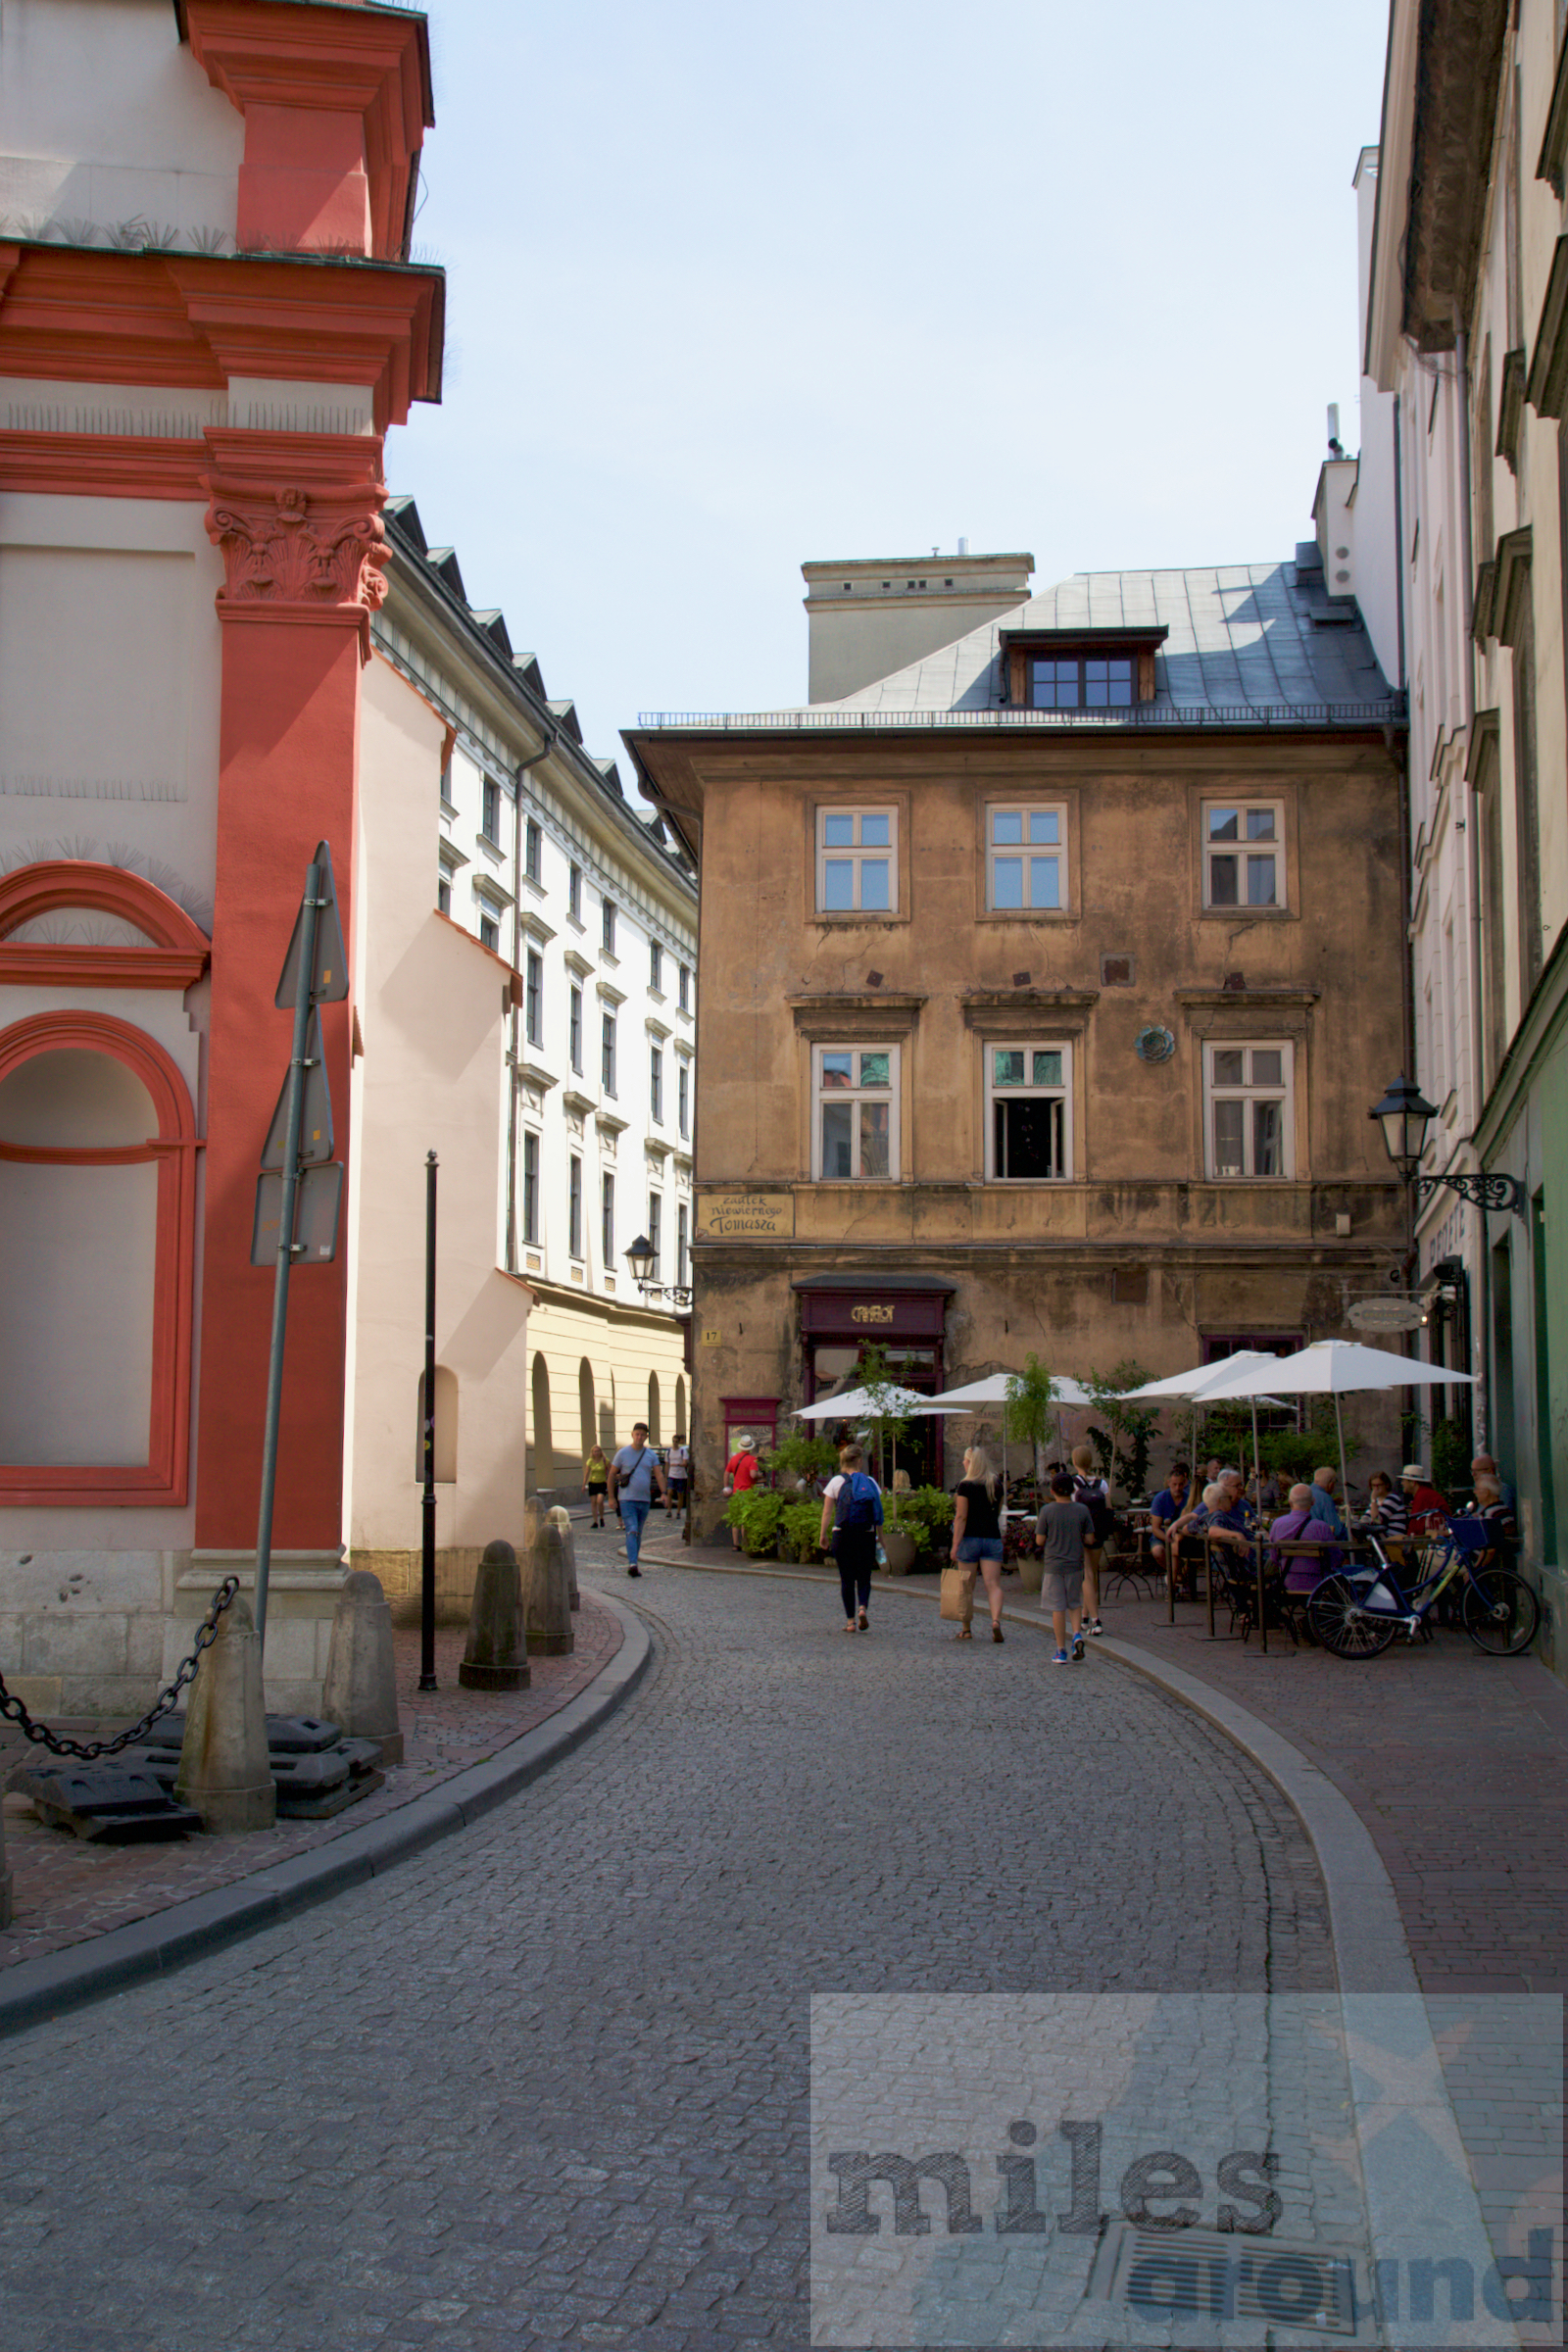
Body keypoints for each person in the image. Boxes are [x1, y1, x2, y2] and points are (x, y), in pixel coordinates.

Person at [818, 1442, 881, 1633]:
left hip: (842, 1534)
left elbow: (827, 1512)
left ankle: (850, 1622)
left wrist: (823, 1534)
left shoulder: (836, 1482)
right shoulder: (870, 1482)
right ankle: (862, 1607)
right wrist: (882, 1539)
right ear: (860, 1461)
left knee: (846, 1578)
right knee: (864, 1576)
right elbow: (878, 1514)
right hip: (866, 1534)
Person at [1036, 1471, 1095, 1664]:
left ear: (1052, 1491)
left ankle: (1060, 1650)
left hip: (1054, 1565)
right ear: (1072, 1490)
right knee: (1074, 1603)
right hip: (1075, 1564)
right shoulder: (1082, 1510)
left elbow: (1040, 1540)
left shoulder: (1047, 1511)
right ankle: (1077, 1633)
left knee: (1057, 1608)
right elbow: (1090, 1539)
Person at [950, 1444, 1005, 1643]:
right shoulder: (996, 1484)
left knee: (966, 1586)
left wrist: (955, 1545)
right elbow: (998, 1511)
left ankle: (966, 1629)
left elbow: (961, 1517)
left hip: (969, 1539)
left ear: (970, 1463)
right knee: (993, 1585)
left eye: (965, 1461)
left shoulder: (965, 1486)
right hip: (992, 1537)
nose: (963, 1464)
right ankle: (996, 1621)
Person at [610, 1421, 667, 1577]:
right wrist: (611, 1497)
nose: (639, 1437)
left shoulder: (650, 1455)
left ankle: (634, 1560)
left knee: (638, 1532)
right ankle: (633, 1564)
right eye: (637, 1434)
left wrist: (664, 1492)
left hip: (644, 1500)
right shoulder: (622, 1453)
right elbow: (611, 1475)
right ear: (632, 1435)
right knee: (632, 1530)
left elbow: (659, 1474)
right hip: (627, 1499)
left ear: (646, 1437)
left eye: (642, 1435)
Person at [1069, 1443, 1110, 1637]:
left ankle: (1096, 1619)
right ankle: (1085, 1616)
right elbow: (1108, 1507)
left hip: (1081, 1532)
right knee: (1092, 1573)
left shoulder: (1073, 1483)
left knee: (1086, 1575)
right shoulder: (1101, 1484)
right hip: (1099, 1531)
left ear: (1074, 1461)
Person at [1267, 1483, 1342, 1589]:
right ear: (1313, 1502)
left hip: (1288, 1583)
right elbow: (1335, 1559)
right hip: (1319, 1586)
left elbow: (1274, 1558)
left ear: (1290, 1503)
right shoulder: (1321, 1527)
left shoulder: (1277, 1524)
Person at [1148, 1462, 1192, 1582]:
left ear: (1185, 1483)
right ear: (1169, 1483)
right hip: (1163, 1535)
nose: (1177, 1488)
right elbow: (1155, 1528)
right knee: (1157, 1551)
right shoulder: (1160, 1499)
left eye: (1181, 1484)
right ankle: (1177, 1573)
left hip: (1183, 1536)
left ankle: (1174, 1578)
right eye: (1174, 1484)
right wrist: (1168, 1539)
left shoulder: (1188, 1498)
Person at [723, 1433, 760, 1553]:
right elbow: (753, 1475)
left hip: (736, 1492)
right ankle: (745, 1543)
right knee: (745, 1519)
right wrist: (760, 1475)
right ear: (750, 1447)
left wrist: (726, 1487)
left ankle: (735, 1544)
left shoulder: (734, 1458)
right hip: (747, 1492)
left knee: (735, 1518)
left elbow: (727, 1473)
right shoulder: (752, 1459)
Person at [1399, 1463, 1450, 1537]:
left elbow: (1416, 1526)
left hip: (1432, 1541)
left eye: (1404, 1480)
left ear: (1413, 1483)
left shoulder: (1422, 1496)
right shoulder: (1426, 1493)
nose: (1402, 1483)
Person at [1305, 1467, 1347, 1539]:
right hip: (1321, 1544)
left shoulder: (1304, 1493)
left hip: (1305, 1541)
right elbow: (1336, 1530)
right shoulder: (1325, 1498)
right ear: (1331, 1484)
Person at [584, 1442, 611, 1530]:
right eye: (594, 1451)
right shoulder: (590, 1461)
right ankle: (595, 1521)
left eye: (598, 1451)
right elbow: (587, 1473)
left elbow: (611, 1472)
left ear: (600, 1452)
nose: (596, 1453)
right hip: (592, 1483)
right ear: (592, 1452)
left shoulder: (605, 1460)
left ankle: (601, 1517)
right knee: (593, 1503)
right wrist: (584, 1484)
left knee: (600, 1501)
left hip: (602, 1483)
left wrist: (610, 1482)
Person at [665, 1431, 690, 1516]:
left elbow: (685, 1463)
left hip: (681, 1476)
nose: (675, 1443)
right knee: (669, 1492)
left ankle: (678, 1512)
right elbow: (667, 1464)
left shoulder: (683, 1451)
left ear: (679, 1442)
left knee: (680, 1494)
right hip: (671, 1475)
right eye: (673, 1441)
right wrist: (666, 1476)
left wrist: (678, 1464)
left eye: (676, 1441)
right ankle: (669, 1511)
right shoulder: (668, 1452)